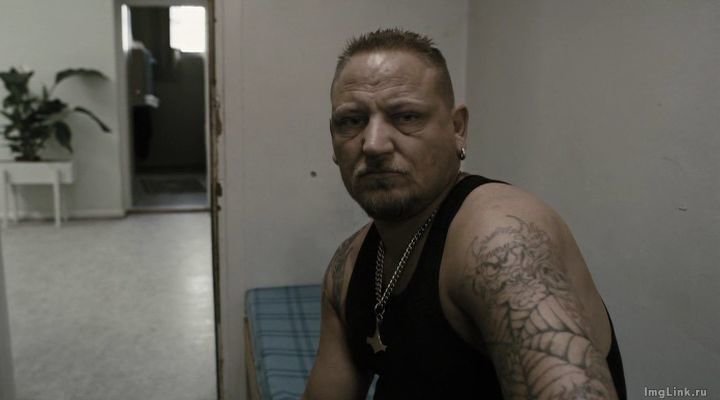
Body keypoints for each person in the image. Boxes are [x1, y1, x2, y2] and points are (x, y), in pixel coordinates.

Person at [304, 28, 626, 399]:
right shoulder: (346, 268)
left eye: (406, 116)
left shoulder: (498, 241)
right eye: (351, 121)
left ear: (457, 129)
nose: (373, 144)